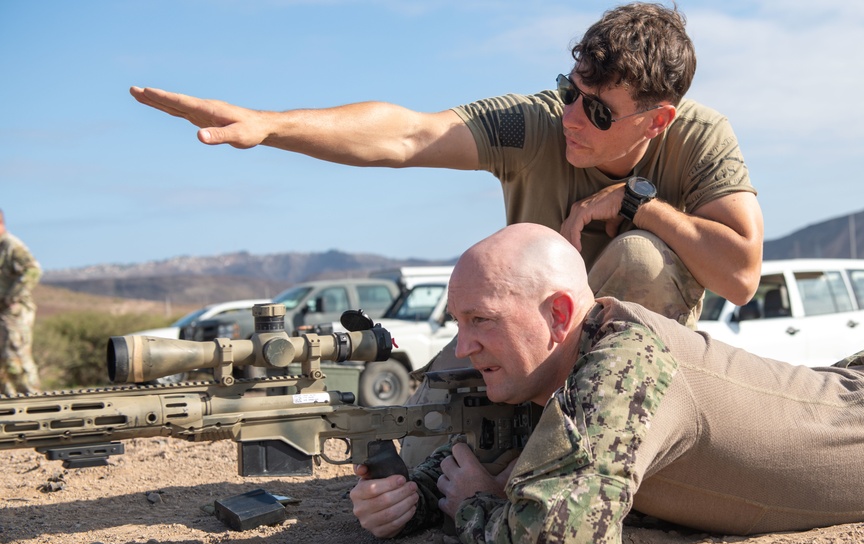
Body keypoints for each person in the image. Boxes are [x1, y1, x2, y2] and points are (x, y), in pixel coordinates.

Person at [350, 223, 864, 544]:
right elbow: (504, 463)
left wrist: (473, 507)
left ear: (557, 314)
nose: (462, 344)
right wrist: (407, 502)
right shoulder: (556, 369)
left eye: (480, 320)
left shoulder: (621, 364)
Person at [130, 2, 763, 328]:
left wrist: (638, 208)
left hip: (634, 366)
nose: (572, 116)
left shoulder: (701, 139)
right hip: (530, 341)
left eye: (599, 112)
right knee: (416, 439)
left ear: (657, 121)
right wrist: (271, 126)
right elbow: (408, 134)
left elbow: (740, 276)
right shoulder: (536, 123)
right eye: (572, 92)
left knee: (641, 258)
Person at [0, 209, 42, 395]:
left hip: (14, 312)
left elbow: (33, 269)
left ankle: (33, 402)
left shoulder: (11, 245)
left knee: (16, 356)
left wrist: (13, 296)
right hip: (2, 311)